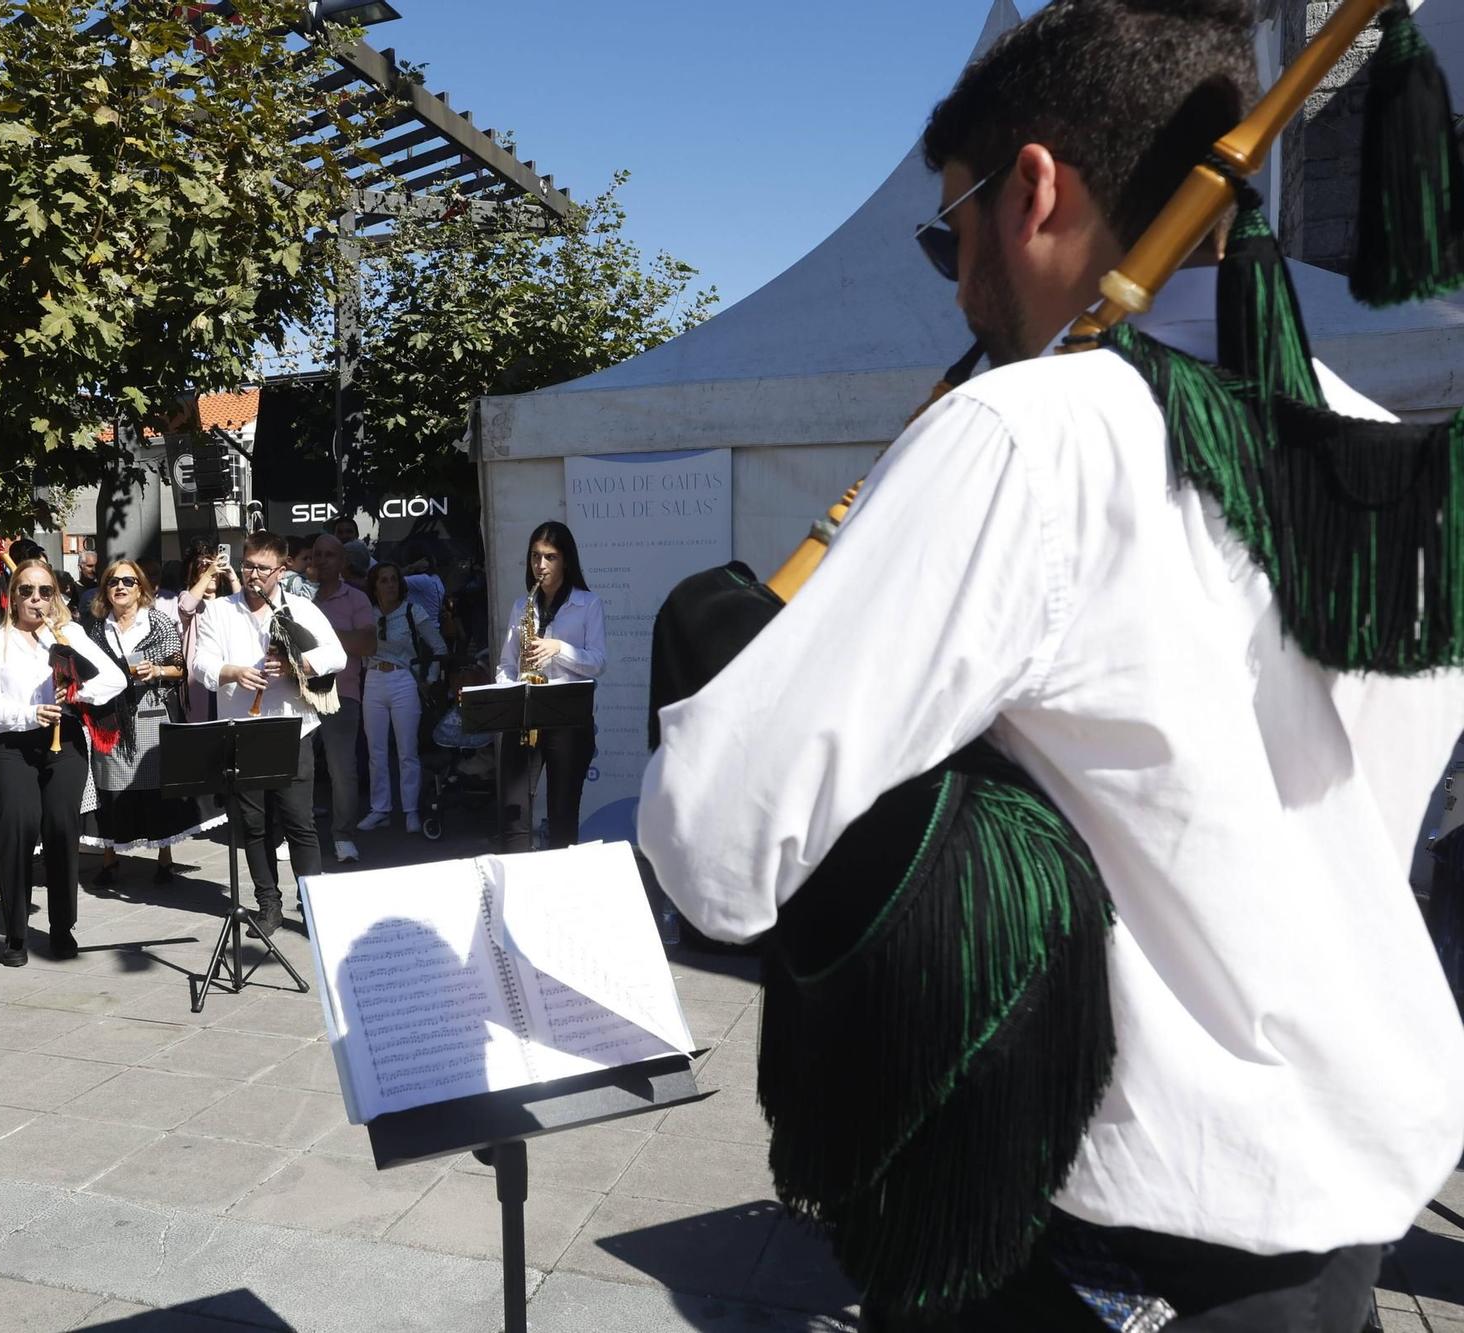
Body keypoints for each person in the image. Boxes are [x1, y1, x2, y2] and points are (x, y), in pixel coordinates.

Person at [639, 2, 1464, 1327]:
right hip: (1335, 1246)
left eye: (943, 230)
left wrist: (725, 654)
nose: (955, 282)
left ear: (1031, 189)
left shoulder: (1027, 433)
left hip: (1110, 1259)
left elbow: (718, 855)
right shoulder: (1379, 450)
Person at [0, 557, 124, 967]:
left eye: (44, 591)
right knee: (17, 830)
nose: (35, 599)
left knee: (61, 830)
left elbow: (115, 678)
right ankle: (16, 933)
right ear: (12, 597)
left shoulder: (68, 633)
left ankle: (61, 928)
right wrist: (30, 714)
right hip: (16, 745)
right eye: (26, 591)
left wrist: (77, 693)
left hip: (66, 741)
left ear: (54, 596)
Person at [193, 531, 346, 934]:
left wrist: (298, 665)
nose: (253, 574)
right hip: (243, 731)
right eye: (248, 566)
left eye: (262, 567)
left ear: (282, 569)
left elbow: (336, 656)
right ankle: (268, 904)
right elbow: (200, 664)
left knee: (300, 822)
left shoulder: (299, 608)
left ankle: (311, 904)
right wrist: (233, 672)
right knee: (254, 824)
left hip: (292, 730)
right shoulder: (219, 611)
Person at [82, 559, 220, 883]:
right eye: (113, 582)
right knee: (111, 786)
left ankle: (164, 857)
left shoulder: (156, 621)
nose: (120, 587)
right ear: (105, 589)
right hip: (111, 716)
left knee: (156, 786)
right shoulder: (97, 628)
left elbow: (180, 668)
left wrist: (155, 670)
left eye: (128, 581)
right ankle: (109, 857)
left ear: (140, 587)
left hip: (150, 710)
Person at [494, 521, 605, 849]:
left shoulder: (588, 604)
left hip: (568, 720)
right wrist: (509, 690)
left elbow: (598, 661)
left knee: (562, 816)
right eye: (534, 557)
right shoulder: (522, 606)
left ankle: (559, 891)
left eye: (550, 557)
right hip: (524, 716)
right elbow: (505, 664)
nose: (540, 565)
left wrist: (560, 649)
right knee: (513, 815)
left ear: (566, 560)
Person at [357, 561, 446, 835]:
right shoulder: (366, 614)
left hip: (403, 679)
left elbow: (438, 645)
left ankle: (410, 811)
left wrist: (430, 679)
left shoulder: (412, 610)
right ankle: (380, 809)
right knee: (376, 751)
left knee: (407, 751)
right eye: (383, 580)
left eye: (393, 579)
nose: (389, 585)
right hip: (373, 679)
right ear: (374, 585)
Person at [306, 534, 375, 863]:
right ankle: (296, 834)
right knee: (295, 769)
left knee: (342, 770)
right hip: (300, 693)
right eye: (317, 554)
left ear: (343, 562)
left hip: (341, 693)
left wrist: (324, 633)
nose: (321, 560)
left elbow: (367, 646)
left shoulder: (356, 599)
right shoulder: (301, 597)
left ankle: (343, 835)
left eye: (329, 555)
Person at [166, 540, 233, 725]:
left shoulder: (229, 603)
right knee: (202, 727)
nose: (211, 573)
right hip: (199, 681)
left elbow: (247, 611)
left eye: (213, 567)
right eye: (203, 567)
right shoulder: (188, 598)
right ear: (193, 573)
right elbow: (186, 607)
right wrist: (208, 573)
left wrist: (232, 576)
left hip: (227, 675)